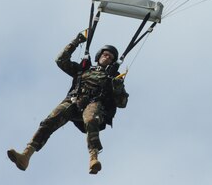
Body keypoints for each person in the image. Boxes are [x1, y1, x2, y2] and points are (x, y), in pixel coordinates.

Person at [7, 31, 129, 174]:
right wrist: (76, 41)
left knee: (91, 119)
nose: (106, 57)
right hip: (73, 101)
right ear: (99, 55)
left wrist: (118, 87)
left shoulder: (112, 78)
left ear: (112, 62)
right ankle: (26, 155)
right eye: (105, 54)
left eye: (110, 57)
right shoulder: (83, 69)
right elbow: (60, 60)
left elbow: (122, 103)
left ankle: (93, 158)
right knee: (49, 120)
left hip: (94, 104)